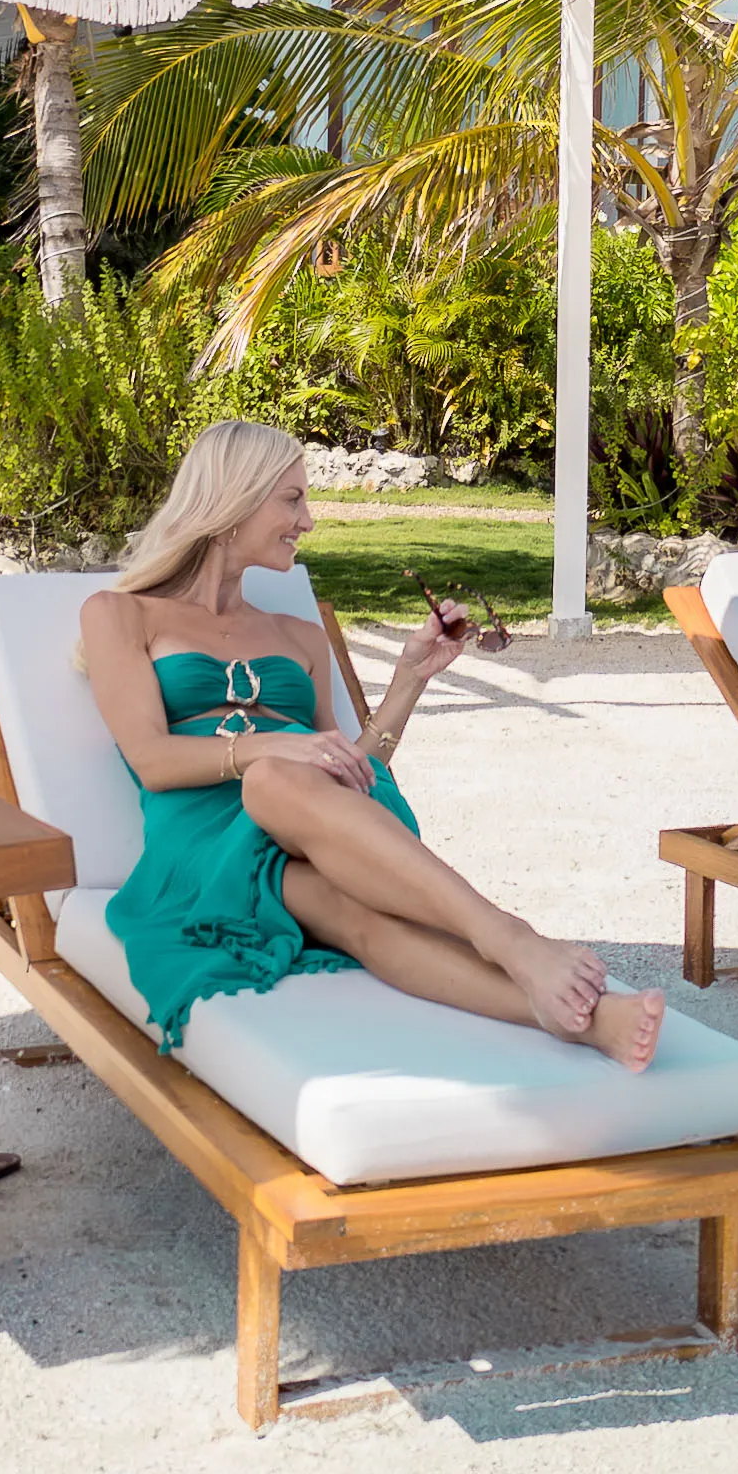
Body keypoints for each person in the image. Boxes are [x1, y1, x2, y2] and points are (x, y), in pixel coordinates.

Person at [81, 419, 663, 1068]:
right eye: (292, 499)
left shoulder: (297, 634)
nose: (307, 521)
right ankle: (535, 963)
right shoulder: (119, 615)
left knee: (281, 782)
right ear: (231, 505)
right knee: (347, 908)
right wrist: (266, 749)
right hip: (207, 842)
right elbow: (152, 762)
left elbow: (352, 769)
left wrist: (411, 675)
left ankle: (565, 996)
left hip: (312, 812)